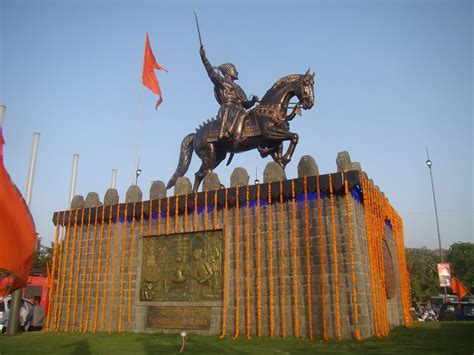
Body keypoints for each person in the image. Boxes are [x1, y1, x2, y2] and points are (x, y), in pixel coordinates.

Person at [199, 45, 259, 148]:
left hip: (238, 108)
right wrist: (204, 58)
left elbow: (245, 103)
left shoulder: (238, 87)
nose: (236, 71)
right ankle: (237, 139)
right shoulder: (221, 83)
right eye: (234, 69)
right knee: (241, 114)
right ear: (228, 71)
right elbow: (212, 73)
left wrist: (253, 101)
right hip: (229, 109)